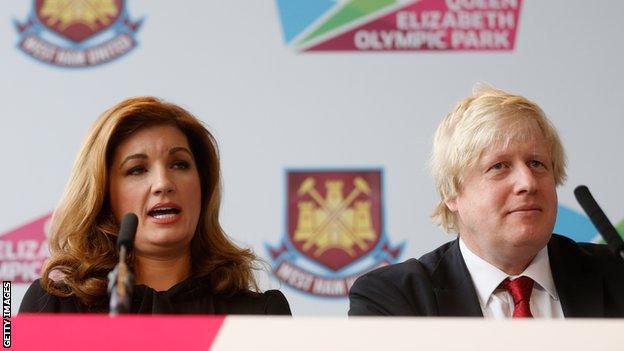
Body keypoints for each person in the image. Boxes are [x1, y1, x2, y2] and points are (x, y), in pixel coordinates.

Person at [349, 85, 624, 318]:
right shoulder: (394, 299)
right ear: (452, 193)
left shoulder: (615, 275)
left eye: (537, 163)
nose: (527, 183)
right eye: (499, 166)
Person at [20, 97, 291, 315]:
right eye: (137, 170)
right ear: (103, 193)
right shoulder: (53, 307)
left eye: (180, 164)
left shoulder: (259, 315)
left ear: (203, 186)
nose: (163, 183)